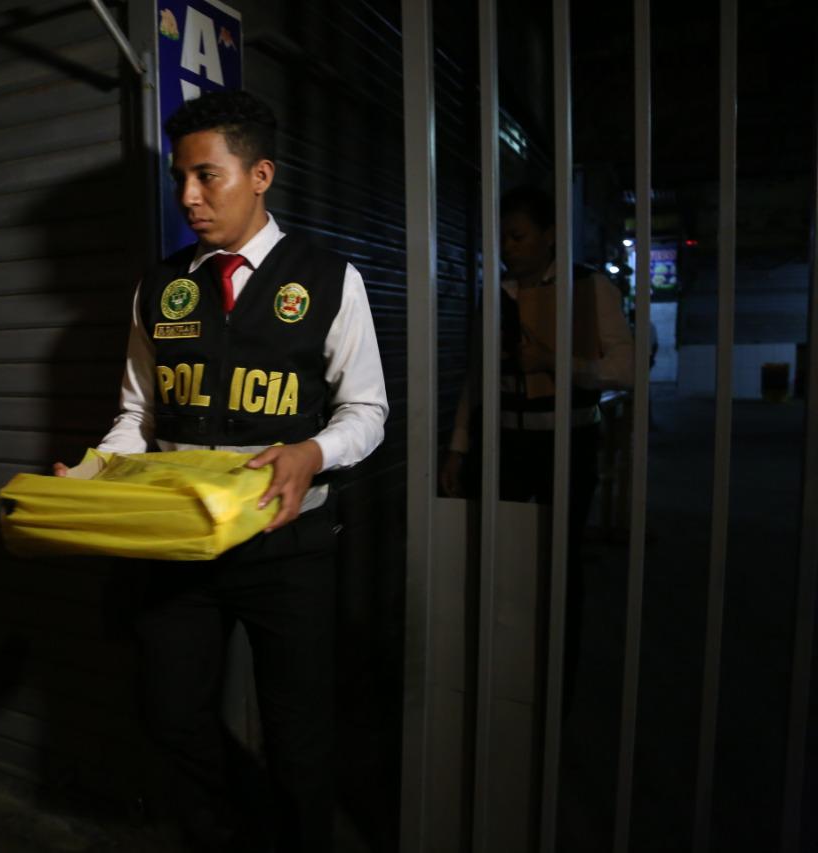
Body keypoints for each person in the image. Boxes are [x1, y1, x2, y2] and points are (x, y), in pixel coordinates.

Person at [56, 90, 387, 852]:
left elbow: (367, 413)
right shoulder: (160, 285)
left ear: (261, 173)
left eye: (208, 176)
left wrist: (312, 452)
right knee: (173, 716)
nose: (188, 197)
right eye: (181, 178)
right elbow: (138, 417)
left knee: (299, 738)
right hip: (177, 544)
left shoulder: (331, 279)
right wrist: (94, 470)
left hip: (288, 547)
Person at [440, 184, 634, 704]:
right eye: (502, 237)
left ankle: (555, 691)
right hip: (502, 444)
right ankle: (497, 682)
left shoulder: (588, 289)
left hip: (567, 446)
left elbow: (626, 367)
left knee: (557, 569)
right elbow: (476, 379)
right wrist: (459, 446)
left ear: (550, 237)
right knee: (496, 562)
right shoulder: (496, 294)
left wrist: (556, 364)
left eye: (519, 235)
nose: (508, 246)